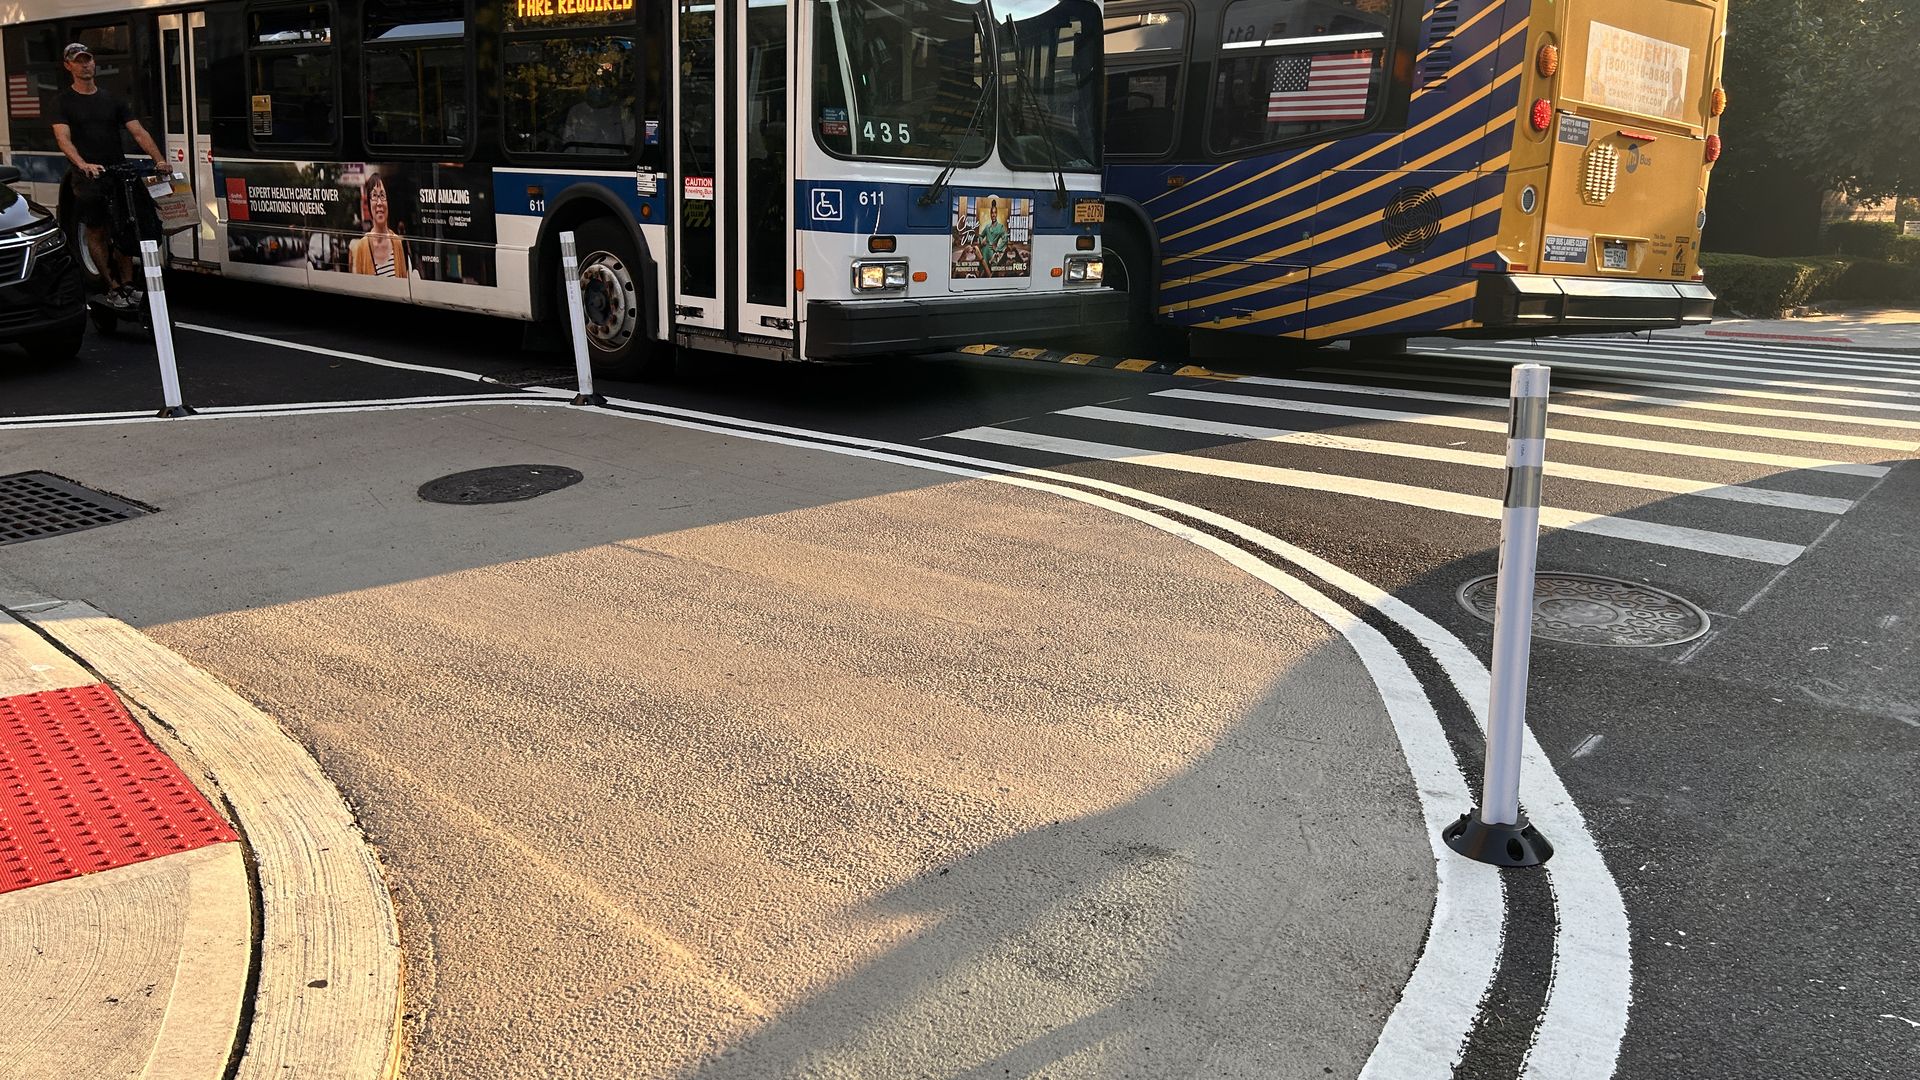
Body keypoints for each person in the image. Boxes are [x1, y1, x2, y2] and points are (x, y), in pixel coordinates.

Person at [49, 42, 170, 309]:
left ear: (94, 63)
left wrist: (159, 159)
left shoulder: (112, 99)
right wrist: (83, 164)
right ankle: (112, 286)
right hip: (88, 177)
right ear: (68, 66)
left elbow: (138, 132)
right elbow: (63, 139)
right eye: (78, 61)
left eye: (88, 59)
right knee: (97, 229)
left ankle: (128, 284)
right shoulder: (62, 102)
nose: (85, 65)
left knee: (126, 226)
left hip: (117, 171)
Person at [348, 173, 408, 277]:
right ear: (369, 202)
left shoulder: (397, 243)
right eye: (374, 196)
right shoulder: (361, 247)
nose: (379, 203)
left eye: (382, 195)